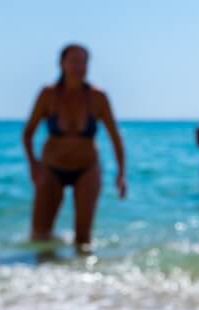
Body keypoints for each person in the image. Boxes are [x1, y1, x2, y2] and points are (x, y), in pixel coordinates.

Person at [22, 44, 126, 249]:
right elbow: (27, 134)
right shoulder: (48, 94)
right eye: (74, 61)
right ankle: (42, 276)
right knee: (39, 235)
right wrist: (33, 166)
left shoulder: (97, 97)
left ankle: (81, 278)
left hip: (87, 168)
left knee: (83, 240)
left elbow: (115, 137)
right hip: (51, 168)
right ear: (61, 63)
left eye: (83, 61)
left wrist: (121, 173)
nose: (79, 66)